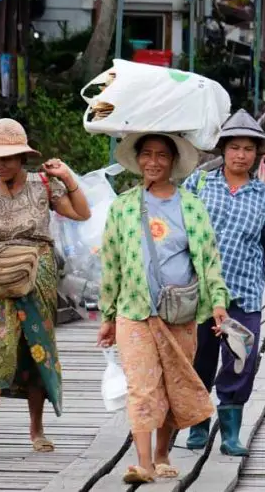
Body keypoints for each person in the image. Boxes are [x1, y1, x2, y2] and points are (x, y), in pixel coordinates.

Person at [0, 118, 91, 456]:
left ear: (23, 157)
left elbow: (81, 213)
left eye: (8, 157)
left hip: (38, 275)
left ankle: (37, 430)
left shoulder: (43, 184)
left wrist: (67, 178)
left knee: (36, 345)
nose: (1, 164)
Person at [97, 132, 230, 483]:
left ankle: (162, 452)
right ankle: (142, 462)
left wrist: (218, 302)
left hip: (180, 312)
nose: (153, 162)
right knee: (142, 384)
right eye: (146, 155)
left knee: (173, 382)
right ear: (138, 159)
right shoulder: (123, 206)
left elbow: (209, 259)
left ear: (172, 161)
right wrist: (107, 316)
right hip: (134, 309)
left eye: (161, 156)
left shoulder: (190, 206)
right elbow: (111, 264)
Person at [183, 110, 265, 456]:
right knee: (199, 358)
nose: (240, 155)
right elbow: (178, 236)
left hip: (245, 293)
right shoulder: (199, 184)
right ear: (222, 149)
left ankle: (231, 432)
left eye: (248, 149)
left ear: (258, 154)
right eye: (234, 147)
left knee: (241, 360)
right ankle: (198, 423)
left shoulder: (263, 196)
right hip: (199, 292)